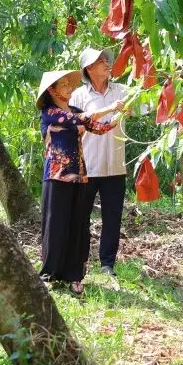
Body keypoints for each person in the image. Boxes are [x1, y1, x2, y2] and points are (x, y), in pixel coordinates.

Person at [36, 70, 122, 295]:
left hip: (79, 176)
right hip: (56, 176)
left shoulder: (75, 110)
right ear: (52, 91)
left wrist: (120, 114)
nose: (69, 88)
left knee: (78, 226)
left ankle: (74, 274)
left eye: (68, 84)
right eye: (63, 85)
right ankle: (48, 274)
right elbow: (82, 120)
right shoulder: (50, 113)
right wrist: (111, 107)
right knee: (55, 225)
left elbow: (99, 127)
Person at [70, 48, 129, 276]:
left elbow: (147, 104)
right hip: (87, 167)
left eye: (107, 61)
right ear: (88, 68)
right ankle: (80, 261)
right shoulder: (78, 96)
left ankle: (107, 264)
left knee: (112, 218)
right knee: (81, 217)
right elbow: (73, 125)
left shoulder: (123, 91)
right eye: (100, 61)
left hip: (115, 166)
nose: (106, 64)